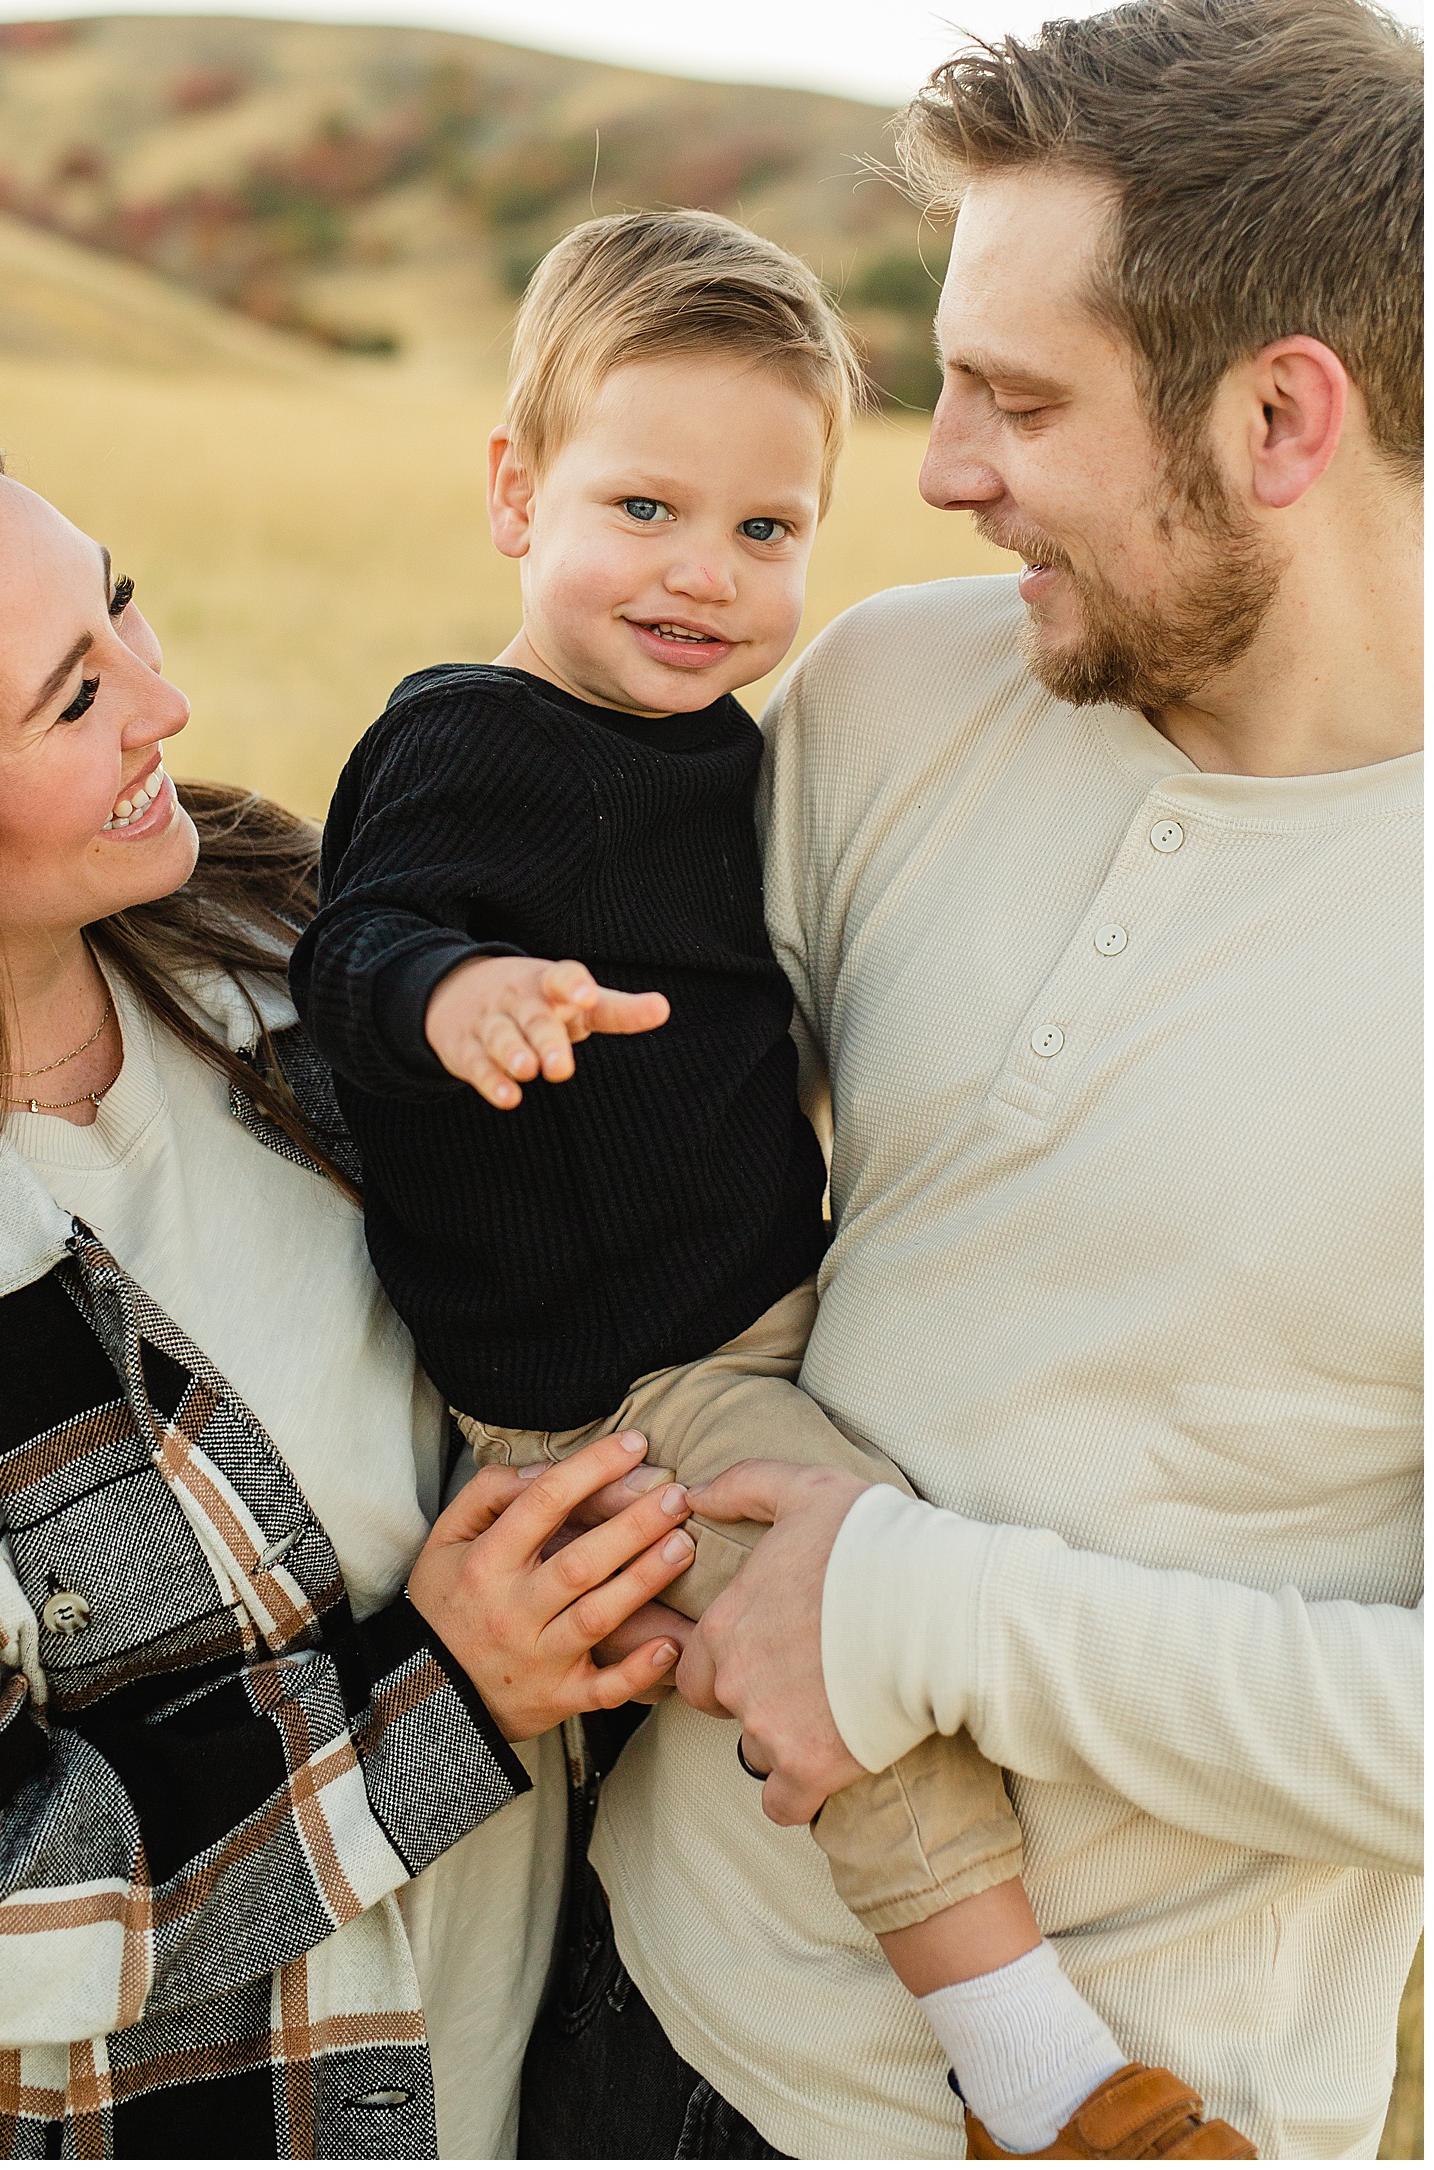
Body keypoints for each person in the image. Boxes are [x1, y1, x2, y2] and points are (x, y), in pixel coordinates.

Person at [533, 0, 1424, 2161]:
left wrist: (904, 1602)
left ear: (1277, 419)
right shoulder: (890, 694)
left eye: (1015, 399)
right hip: (632, 1987)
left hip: (1116, 2113)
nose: (935, 472)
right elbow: (625, 1160)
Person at [289, 207, 1249, 2158]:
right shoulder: (458, 739)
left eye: (763, 531)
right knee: (845, 1603)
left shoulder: (741, 754)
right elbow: (352, 943)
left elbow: (782, 998)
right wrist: (455, 992)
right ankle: (1038, 2073)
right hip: (621, 1374)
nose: (702, 577)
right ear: (509, 489)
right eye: (640, 505)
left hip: (752, 1294)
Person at [0, 405, 698, 2160]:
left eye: (122, 609)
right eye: (72, 699)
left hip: (546, 2069)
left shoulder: (276, 933)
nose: (163, 702)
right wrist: (437, 1701)